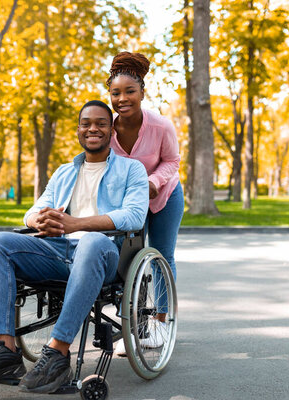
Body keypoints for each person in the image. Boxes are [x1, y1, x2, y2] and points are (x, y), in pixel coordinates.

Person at [0, 100, 149, 394]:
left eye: (100, 123)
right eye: (86, 123)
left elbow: (134, 215)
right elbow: (34, 210)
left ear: (112, 130)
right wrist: (39, 220)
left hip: (106, 252)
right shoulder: (64, 172)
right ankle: (5, 352)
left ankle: (58, 352)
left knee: (92, 242)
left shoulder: (131, 170)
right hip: (59, 250)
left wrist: (77, 224)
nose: (92, 129)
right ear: (78, 130)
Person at [106, 52, 183, 354]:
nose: (122, 98)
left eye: (129, 91)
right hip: (129, 205)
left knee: (162, 256)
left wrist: (154, 182)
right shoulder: (107, 129)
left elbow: (172, 161)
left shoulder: (161, 126)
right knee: (128, 261)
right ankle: (134, 326)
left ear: (142, 93)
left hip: (163, 197)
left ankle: (161, 323)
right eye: (115, 92)